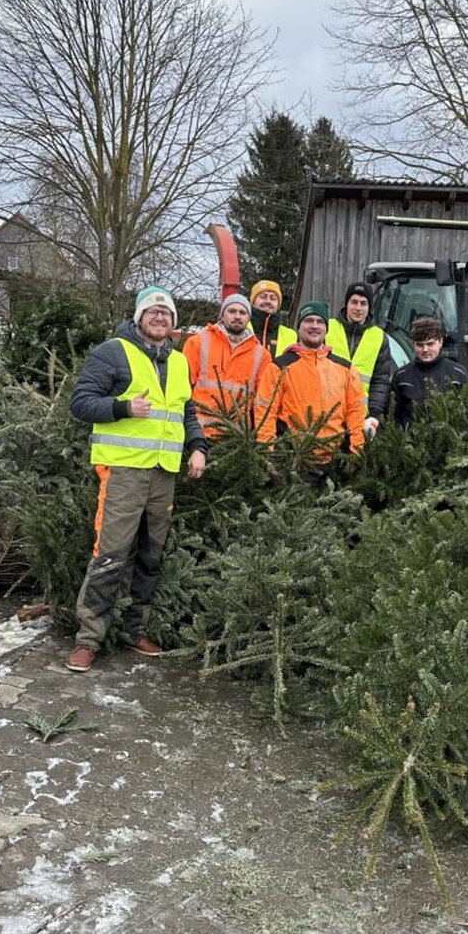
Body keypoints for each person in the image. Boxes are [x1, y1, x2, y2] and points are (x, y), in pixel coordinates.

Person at [66, 285, 207, 672]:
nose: (160, 317)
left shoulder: (178, 361)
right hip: (124, 471)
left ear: (173, 323)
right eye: (152, 312)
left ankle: (135, 630)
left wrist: (198, 447)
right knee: (111, 554)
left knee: (150, 556)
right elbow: (81, 403)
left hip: (164, 473)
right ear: (139, 317)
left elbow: (186, 412)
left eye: (167, 313)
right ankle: (88, 640)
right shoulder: (113, 352)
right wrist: (123, 407)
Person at [257, 301, 366, 473]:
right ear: (298, 327)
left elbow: (356, 411)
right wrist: (268, 452)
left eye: (320, 321)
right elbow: (265, 412)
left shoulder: (345, 368)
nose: (314, 326)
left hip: (336, 462)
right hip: (292, 462)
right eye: (308, 320)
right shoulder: (279, 367)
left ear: (326, 329)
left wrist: (355, 451)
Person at [182, 292, 274, 436]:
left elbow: (262, 401)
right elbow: (183, 389)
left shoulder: (262, 355)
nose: (237, 316)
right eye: (232, 311)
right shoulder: (197, 342)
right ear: (222, 315)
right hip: (200, 433)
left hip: (237, 437)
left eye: (242, 312)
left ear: (248, 318)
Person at [325, 282, 394, 437]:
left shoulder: (379, 337)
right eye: (354, 302)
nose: (358, 308)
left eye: (363, 303)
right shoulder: (327, 328)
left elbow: (380, 380)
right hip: (327, 414)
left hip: (361, 418)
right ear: (347, 304)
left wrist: (374, 415)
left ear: (369, 307)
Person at [391, 316, 468, 428]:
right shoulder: (401, 376)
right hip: (409, 437)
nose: (425, 350)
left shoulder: (458, 373)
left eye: (430, 344)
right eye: (420, 345)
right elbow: (392, 414)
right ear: (413, 344)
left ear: (440, 342)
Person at [249, 278, 297, 357]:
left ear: (278, 305)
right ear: (253, 302)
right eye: (263, 297)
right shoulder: (241, 329)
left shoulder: (291, 335)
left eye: (273, 298)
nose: (268, 301)